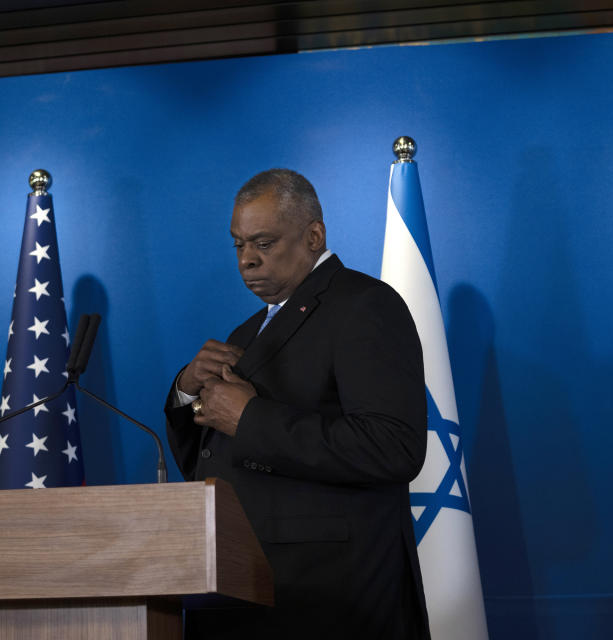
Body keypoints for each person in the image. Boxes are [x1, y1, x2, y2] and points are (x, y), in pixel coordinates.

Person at [164, 168, 431, 639]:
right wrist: (187, 391)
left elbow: (394, 447)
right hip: (239, 585)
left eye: (263, 243)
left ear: (314, 235)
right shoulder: (244, 335)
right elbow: (206, 462)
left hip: (329, 598)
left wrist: (250, 417)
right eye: (238, 245)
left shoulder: (366, 304)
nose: (247, 260)